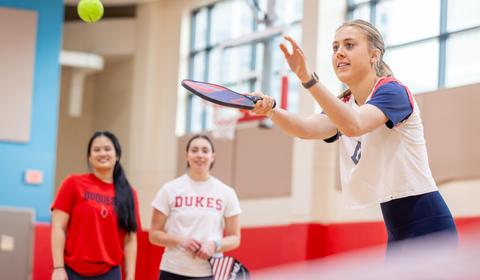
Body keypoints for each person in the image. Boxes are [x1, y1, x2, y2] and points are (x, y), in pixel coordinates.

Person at [251, 19, 457, 253]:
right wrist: (271, 110)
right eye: (335, 47)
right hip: (395, 227)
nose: (339, 53)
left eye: (349, 45)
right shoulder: (345, 103)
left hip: (428, 223)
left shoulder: (392, 91)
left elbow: (354, 125)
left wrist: (309, 80)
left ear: (374, 55)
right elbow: (306, 129)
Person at [149, 134, 241, 279]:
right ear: (187, 155)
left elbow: (235, 238)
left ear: (213, 157)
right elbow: (154, 235)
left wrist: (214, 245)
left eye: (205, 151)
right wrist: (180, 240)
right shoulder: (169, 189)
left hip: (209, 272)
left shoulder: (226, 192)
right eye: (194, 150)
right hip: (173, 270)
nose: (200, 155)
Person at [51, 131, 140, 280]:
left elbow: (130, 239)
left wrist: (130, 276)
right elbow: (58, 227)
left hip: (109, 272)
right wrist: (58, 268)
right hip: (72, 271)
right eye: (96, 150)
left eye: (107, 149)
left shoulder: (129, 193)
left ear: (117, 155)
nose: (102, 153)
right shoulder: (73, 183)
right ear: (90, 158)